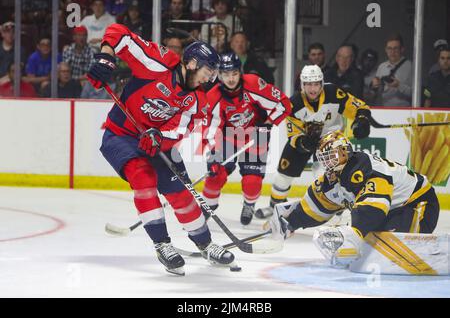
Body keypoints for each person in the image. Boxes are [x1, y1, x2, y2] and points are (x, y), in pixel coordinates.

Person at [87, 23, 236, 275]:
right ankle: (163, 244)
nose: (210, 78)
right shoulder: (157, 63)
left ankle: (205, 243)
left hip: (159, 145)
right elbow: (117, 32)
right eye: (208, 71)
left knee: (181, 195)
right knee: (143, 179)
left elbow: (180, 129)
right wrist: (106, 57)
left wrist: (159, 137)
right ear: (191, 64)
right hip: (121, 135)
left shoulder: (197, 99)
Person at [269, 130, 440, 267]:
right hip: (391, 210)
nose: (328, 164)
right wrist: (290, 221)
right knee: (372, 241)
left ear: (345, 152)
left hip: (419, 204)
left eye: (332, 157)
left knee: (381, 242)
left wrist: (354, 233)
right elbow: (316, 207)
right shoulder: (332, 179)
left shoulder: (364, 168)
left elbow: (373, 209)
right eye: (325, 160)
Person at [256, 65, 371, 219]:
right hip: (305, 139)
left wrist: (362, 119)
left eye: (316, 83)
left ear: (322, 83)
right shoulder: (294, 104)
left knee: (326, 175)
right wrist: (304, 143)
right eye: (308, 84)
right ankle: (274, 206)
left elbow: (358, 106)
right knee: (284, 175)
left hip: (330, 141)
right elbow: (293, 136)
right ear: (302, 85)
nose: (313, 88)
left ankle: (333, 208)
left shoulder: (333, 93)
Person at [203, 52, 292, 225]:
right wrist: (213, 153)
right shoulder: (213, 96)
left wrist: (267, 123)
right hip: (227, 138)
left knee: (252, 183)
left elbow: (283, 103)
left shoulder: (253, 83)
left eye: (234, 74)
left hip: (255, 135)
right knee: (215, 176)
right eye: (226, 74)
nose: (230, 79)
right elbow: (211, 129)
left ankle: (249, 204)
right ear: (219, 75)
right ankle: (207, 208)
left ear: (240, 72)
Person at [371, 33, 412, 107]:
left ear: (402, 49)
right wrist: (375, 85)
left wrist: (399, 85)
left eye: (395, 48)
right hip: (384, 110)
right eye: (389, 48)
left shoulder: (411, 66)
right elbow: (376, 92)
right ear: (386, 50)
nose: (392, 52)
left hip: (405, 111)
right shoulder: (382, 67)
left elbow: (417, 94)